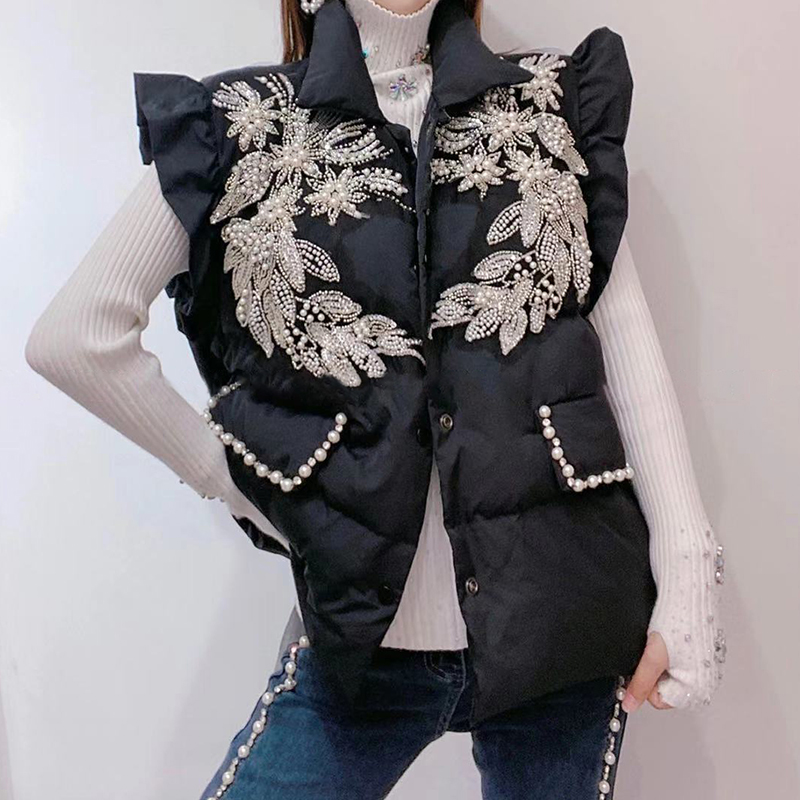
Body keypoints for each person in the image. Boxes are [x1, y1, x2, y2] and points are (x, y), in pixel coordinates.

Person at [24, 0, 726, 797]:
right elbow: (75, 337)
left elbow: (625, 342)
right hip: (360, 647)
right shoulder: (236, 126)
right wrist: (235, 484)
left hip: (564, 624)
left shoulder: (549, 103)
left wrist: (688, 573)